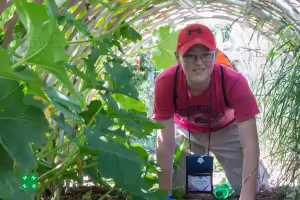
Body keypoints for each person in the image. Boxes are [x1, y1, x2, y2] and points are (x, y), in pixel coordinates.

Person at [153, 24, 260, 200]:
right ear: (177, 58)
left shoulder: (235, 82)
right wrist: (165, 195)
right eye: (190, 56)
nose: (199, 62)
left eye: (206, 55)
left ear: (216, 55)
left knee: (248, 186)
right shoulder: (166, 83)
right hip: (187, 133)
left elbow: (250, 144)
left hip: (226, 131)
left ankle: (257, 175)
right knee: (179, 188)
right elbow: (165, 143)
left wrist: (247, 197)